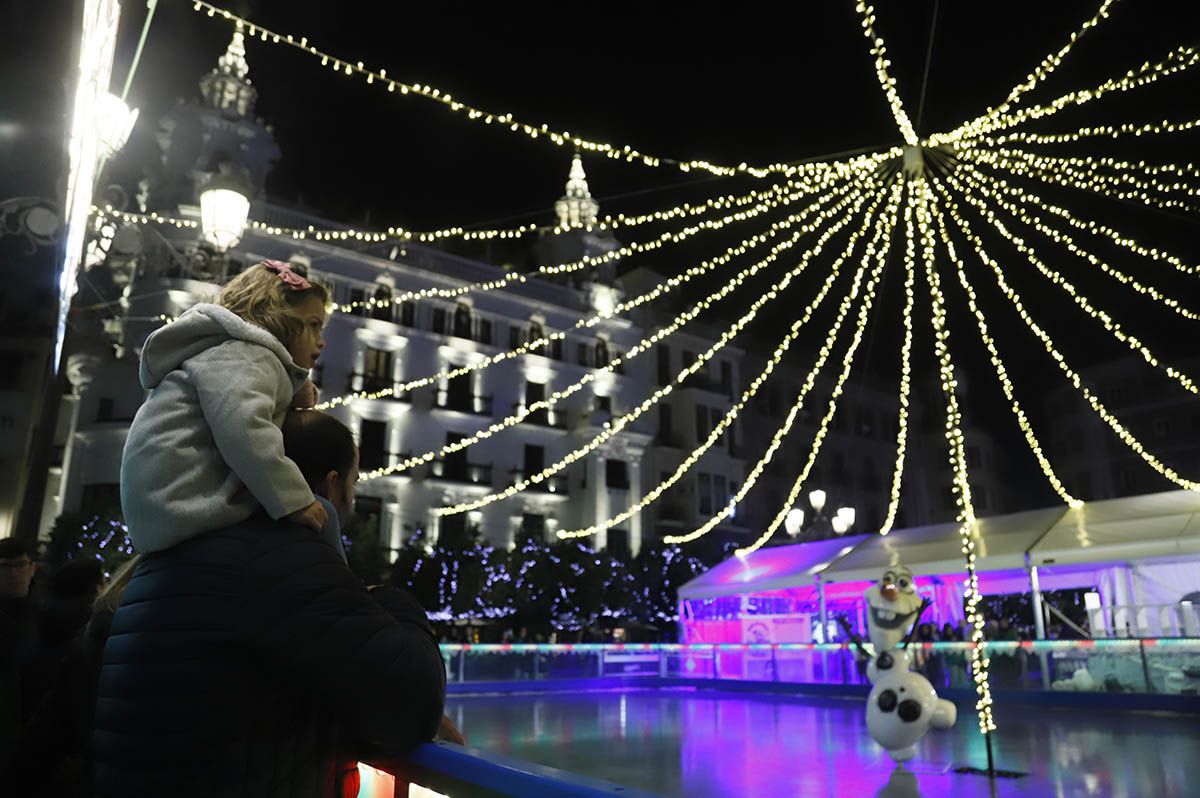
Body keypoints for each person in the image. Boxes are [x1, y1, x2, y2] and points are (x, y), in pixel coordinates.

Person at [93, 410, 450, 797]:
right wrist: (394, 601)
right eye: (354, 481)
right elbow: (410, 703)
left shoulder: (172, 553)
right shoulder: (287, 559)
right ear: (332, 486)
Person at [119, 259, 330, 556]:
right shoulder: (247, 356)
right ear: (276, 313)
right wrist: (295, 499)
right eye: (313, 325)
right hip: (185, 505)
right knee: (325, 519)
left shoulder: (231, 355)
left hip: (164, 507)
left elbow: (236, 396)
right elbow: (244, 427)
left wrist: (292, 387)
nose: (321, 342)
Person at [0, 537, 38, 774]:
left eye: (20, 565)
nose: (14, 573)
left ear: (32, 568)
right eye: (6, 566)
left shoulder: (45, 616)